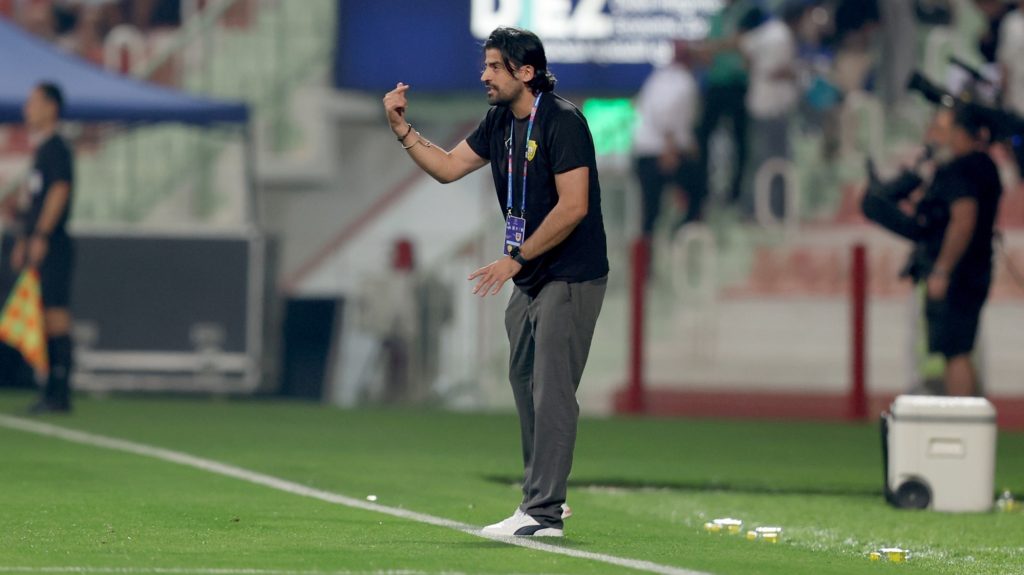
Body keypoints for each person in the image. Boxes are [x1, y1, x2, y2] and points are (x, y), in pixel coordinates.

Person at [382, 26, 608, 537]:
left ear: (526, 72)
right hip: (530, 277)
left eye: (494, 67)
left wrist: (515, 259)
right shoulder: (500, 121)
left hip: (570, 275)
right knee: (525, 383)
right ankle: (542, 495)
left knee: (552, 391)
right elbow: (447, 167)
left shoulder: (563, 121)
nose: (483, 75)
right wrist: (402, 129)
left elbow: (574, 207)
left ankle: (544, 512)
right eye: (485, 65)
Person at [861, 106, 1002, 396]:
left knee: (955, 351)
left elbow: (963, 221)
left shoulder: (961, 170)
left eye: (942, 129)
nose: (937, 136)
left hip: (959, 273)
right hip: (974, 268)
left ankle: (964, 415)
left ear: (960, 133)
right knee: (957, 349)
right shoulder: (985, 167)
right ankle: (966, 412)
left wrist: (942, 269)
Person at [2, 83, 76, 413]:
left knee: (55, 313)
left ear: (51, 107)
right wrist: (24, 237)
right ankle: (49, 388)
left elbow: (59, 190)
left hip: (53, 244)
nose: (27, 108)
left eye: (33, 102)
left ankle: (60, 391)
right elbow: (31, 201)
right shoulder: (41, 150)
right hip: (38, 241)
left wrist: (42, 235)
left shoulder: (57, 148)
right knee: (41, 313)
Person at [632, 40, 703, 236]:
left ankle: (652, 247)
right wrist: (669, 147)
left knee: (650, 212)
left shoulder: (659, 77)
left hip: (646, 151)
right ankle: (678, 236)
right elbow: (665, 113)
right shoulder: (682, 81)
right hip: (661, 152)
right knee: (697, 191)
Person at [738, 6, 800, 218]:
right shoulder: (781, 35)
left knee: (761, 161)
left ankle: (755, 210)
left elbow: (743, 45)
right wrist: (794, 73)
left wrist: (754, 69)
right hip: (772, 109)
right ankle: (771, 212)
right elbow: (777, 71)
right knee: (774, 162)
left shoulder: (768, 31)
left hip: (760, 105)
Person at [696, 0, 757, 204]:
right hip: (717, 84)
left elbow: (741, 42)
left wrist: (715, 46)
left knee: (740, 139)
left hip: (737, 85)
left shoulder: (747, 12)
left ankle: (736, 192)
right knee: (703, 134)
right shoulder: (716, 17)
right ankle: (703, 188)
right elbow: (708, 49)